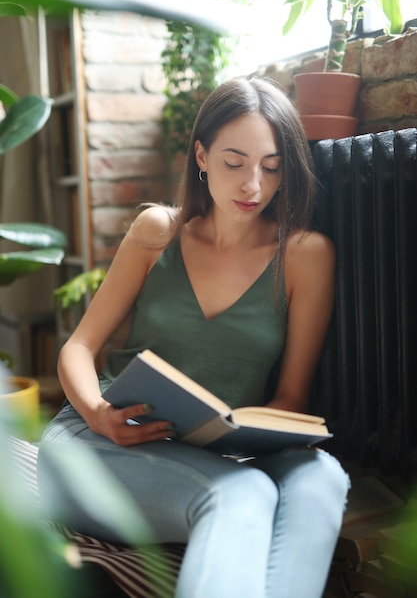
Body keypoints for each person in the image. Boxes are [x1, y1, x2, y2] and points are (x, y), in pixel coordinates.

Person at [37, 76, 350, 598]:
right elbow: (79, 346)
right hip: (97, 442)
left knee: (323, 480)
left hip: (217, 450)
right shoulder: (156, 232)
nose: (253, 185)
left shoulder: (304, 255)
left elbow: (291, 397)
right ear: (201, 156)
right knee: (241, 494)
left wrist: (237, 439)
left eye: (271, 168)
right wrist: (97, 413)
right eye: (235, 163)